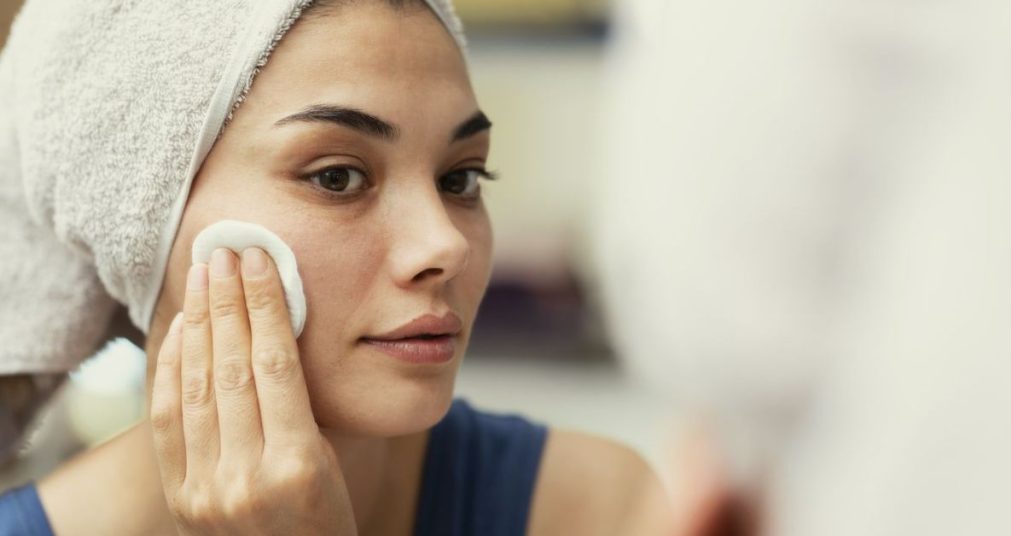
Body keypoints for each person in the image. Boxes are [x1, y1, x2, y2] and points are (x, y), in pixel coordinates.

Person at [0, 0, 666, 534]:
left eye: (460, 178)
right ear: (136, 221)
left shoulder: (600, 508)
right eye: (339, 176)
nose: (444, 244)